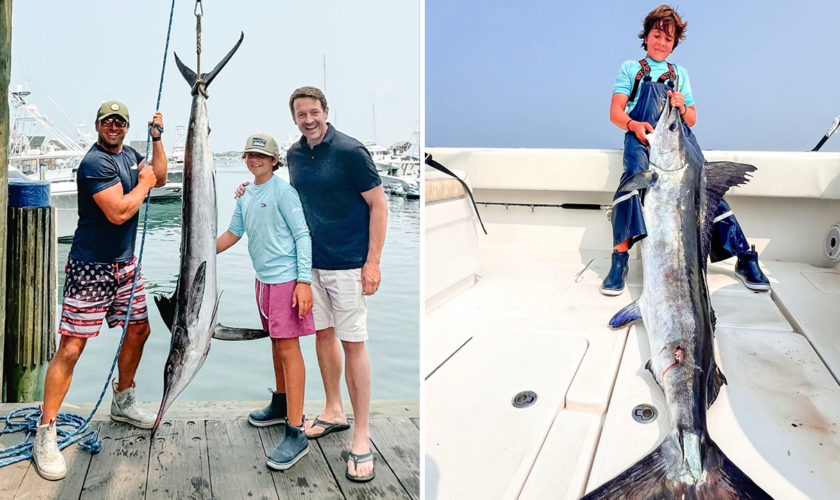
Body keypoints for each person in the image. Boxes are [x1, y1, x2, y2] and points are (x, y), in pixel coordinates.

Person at [236, 86, 387, 482]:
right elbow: (280, 190)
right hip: (309, 267)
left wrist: (373, 262)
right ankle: (333, 410)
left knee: (353, 343)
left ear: (325, 111)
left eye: (314, 112)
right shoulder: (296, 154)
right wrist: (246, 188)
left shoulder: (352, 152)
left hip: (348, 263)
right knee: (323, 335)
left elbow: (379, 205)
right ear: (295, 119)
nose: (309, 120)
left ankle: (362, 435)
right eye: (301, 114)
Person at [32, 102, 167, 480]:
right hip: (90, 267)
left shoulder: (130, 154)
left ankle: (123, 400)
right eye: (107, 121)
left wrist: (157, 140)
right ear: (96, 126)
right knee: (72, 348)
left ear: (126, 128)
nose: (113, 126)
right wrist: (144, 183)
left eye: (119, 122)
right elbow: (119, 212)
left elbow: (160, 173)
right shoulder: (95, 163)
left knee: (140, 330)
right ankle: (46, 430)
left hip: (126, 265)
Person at [600, 5, 770, 296]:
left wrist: (681, 106)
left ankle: (743, 256)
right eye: (656, 35)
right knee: (631, 182)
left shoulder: (680, 74)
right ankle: (619, 260)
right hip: (641, 137)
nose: (661, 43)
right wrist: (633, 124)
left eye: (668, 39)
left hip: (679, 141)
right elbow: (615, 112)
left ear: (674, 43)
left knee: (706, 189)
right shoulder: (631, 69)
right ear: (646, 36)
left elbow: (691, 119)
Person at [217, 133, 315, 471]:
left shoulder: (283, 191)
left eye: (262, 155)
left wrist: (304, 282)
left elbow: (302, 235)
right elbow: (234, 233)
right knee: (276, 345)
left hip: (287, 281)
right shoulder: (245, 194)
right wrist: (198, 251)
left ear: (275, 160)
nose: (255, 159)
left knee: (289, 349)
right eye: (250, 155)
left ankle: (296, 429)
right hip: (262, 282)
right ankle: (281, 403)